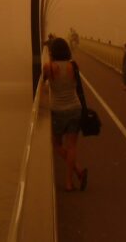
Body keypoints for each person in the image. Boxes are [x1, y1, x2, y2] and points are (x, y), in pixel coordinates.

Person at [42, 38, 88, 191]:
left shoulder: (48, 67)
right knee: (72, 146)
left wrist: (49, 58)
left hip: (58, 110)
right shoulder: (73, 66)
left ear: (52, 52)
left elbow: (42, 85)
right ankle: (70, 182)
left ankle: (78, 171)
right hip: (75, 108)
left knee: (56, 144)